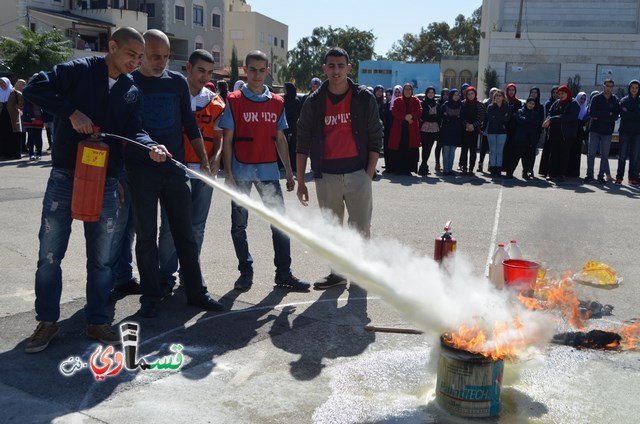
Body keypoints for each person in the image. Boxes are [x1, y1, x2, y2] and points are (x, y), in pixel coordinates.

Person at [20, 27, 152, 353]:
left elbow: (134, 129)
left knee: (102, 259)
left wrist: (151, 145)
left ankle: (97, 320)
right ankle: (47, 321)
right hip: (66, 176)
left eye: (139, 57)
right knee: (49, 255)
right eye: (130, 54)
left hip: (108, 181)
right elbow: (35, 87)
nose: (135, 62)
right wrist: (70, 112)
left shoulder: (131, 89)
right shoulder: (78, 70)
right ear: (112, 47)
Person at [127, 29, 224, 317]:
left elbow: (189, 124)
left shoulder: (177, 83)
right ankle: (151, 296)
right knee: (146, 238)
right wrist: (149, 148)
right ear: (142, 54)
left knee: (185, 234)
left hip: (175, 170)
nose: (161, 62)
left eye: (166, 56)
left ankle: (196, 291)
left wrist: (205, 158)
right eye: (155, 56)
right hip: (141, 172)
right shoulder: (129, 83)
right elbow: (129, 127)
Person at [221, 50, 310, 293]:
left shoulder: (277, 102)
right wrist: (228, 173)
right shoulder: (234, 99)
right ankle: (245, 272)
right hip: (240, 171)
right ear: (245, 71)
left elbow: (280, 138)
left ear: (267, 71)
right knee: (239, 226)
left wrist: (289, 172)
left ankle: (283, 273)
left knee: (279, 223)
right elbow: (227, 139)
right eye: (253, 70)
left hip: (269, 172)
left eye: (262, 70)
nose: (257, 75)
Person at [296, 47, 383, 289]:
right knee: (332, 228)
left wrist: (368, 173)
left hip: (358, 173)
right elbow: (302, 141)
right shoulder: (313, 102)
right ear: (324, 69)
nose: (336, 71)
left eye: (340, 65)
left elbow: (376, 135)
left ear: (349, 68)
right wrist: (302, 180)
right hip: (326, 176)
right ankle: (337, 273)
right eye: (331, 66)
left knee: (360, 227)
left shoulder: (363, 98)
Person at [157, 49, 225, 291]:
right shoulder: (172, 95)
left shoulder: (215, 102)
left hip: (203, 173)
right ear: (188, 68)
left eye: (209, 72)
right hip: (176, 170)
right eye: (200, 71)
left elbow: (219, 138)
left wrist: (216, 160)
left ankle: (190, 273)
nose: (205, 77)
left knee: (197, 225)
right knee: (168, 226)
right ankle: (165, 275)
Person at [584, 79, 620, 183]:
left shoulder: (615, 99)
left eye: (611, 86)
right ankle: (589, 175)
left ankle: (601, 176)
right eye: (607, 85)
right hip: (595, 129)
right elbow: (592, 113)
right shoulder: (596, 98)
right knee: (591, 154)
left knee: (604, 155)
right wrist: (607, 114)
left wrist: (601, 115)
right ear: (603, 86)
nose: (609, 88)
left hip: (607, 131)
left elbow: (615, 116)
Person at [542, 85, 580, 182]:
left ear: (568, 93)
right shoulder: (557, 103)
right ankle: (551, 173)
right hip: (554, 133)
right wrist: (548, 120)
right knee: (553, 154)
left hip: (566, 134)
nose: (561, 95)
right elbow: (550, 113)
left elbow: (569, 117)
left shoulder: (574, 103)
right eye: (559, 93)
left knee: (564, 154)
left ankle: (562, 174)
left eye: (563, 93)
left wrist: (552, 119)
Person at [388, 83, 422, 175]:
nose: (407, 91)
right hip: (400, 128)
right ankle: (399, 169)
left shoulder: (416, 100)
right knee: (400, 148)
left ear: (412, 91)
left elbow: (419, 111)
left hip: (411, 129)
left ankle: (408, 169)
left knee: (410, 149)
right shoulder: (398, 100)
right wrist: (404, 117)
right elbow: (394, 111)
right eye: (406, 89)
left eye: (409, 89)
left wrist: (411, 116)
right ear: (403, 91)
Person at [616, 80, 640, 185]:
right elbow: (623, 114)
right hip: (625, 131)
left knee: (634, 156)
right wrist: (634, 113)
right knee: (622, 155)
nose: (634, 90)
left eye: (636, 88)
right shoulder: (624, 100)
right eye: (632, 87)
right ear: (629, 88)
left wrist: (629, 112)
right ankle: (619, 177)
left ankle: (632, 178)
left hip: (637, 132)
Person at [513, 97, 542, 179]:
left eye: (533, 104)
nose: (531, 105)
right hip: (521, 137)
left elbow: (536, 123)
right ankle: (510, 172)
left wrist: (526, 121)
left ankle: (525, 172)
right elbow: (520, 120)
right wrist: (529, 121)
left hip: (531, 138)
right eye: (529, 103)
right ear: (526, 103)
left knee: (527, 157)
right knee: (517, 156)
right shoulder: (520, 111)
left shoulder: (536, 113)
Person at [459, 86, 485, 175]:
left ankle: (471, 169)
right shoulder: (463, 104)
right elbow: (460, 116)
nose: (470, 96)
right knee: (464, 150)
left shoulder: (480, 104)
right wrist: (466, 124)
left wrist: (473, 125)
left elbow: (481, 117)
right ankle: (464, 168)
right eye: (468, 94)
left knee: (473, 150)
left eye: (472, 94)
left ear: (475, 94)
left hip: (474, 130)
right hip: (464, 129)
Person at [485, 89, 511, 177]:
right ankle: (493, 168)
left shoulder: (507, 107)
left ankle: (498, 168)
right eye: (496, 96)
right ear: (494, 97)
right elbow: (491, 119)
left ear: (503, 97)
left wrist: (497, 118)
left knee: (499, 151)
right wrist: (500, 118)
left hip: (502, 132)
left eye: (500, 96)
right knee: (493, 151)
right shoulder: (490, 107)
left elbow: (507, 119)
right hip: (492, 131)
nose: (498, 97)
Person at [439, 88, 463, 176]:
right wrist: (453, 117)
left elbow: (461, 118)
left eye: (458, 95)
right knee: (446, 150)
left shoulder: (460, 105)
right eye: (455, 95)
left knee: (452, 150)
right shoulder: (445, 105)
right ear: (451, 95)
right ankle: (445, 169)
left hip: (455, 130)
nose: (456, 96)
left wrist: (450, 117)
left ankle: (450, 169)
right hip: (446, 130)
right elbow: (442, 116)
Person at [0, 77, 24, 160]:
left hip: (12, 117)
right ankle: (4, 153)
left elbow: (22, 102)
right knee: (3, 134)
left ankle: (15, 154)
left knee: (14, 134)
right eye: (0, 83)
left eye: (3, 83)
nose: (2, 84)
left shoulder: (14, 92)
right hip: (2, 116)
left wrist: (17, 107)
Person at [418, 86, 440, 176]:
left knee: (429, 148)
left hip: (434, 129)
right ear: (426, 93)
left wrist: (430, 117)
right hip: (424, 128)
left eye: (432, 92)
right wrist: (432, 117)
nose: (431, 94)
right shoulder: (423, 103)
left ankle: (424, 166)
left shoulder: (437, 104)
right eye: (429, 92)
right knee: (424, 148)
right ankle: (423, 166)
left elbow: (438, 117)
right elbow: (424, 116)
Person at [538, 86, 559, 177]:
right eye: (553, 93)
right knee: (548, 151)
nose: (555, 95)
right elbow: (548, 116)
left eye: (557, 93)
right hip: (550, 129)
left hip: (559, 131)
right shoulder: (549, 103)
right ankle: (545, 171)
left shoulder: (562, 103)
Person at [283, 82, 301, 172]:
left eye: (285, 89)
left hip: (292, 128)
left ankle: (294, 167)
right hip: (284, 128)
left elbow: (294, 115)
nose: (284, 91)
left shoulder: (295, 101)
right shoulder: (284, 100)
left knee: (292, 147)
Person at [22, 95, 45, 161]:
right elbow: (27, 106)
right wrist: (32, 116)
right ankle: (31, 154)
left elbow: (44, 107)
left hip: (39, 118)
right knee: (30, 137)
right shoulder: (28, 93)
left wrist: (45, 119)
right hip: (29, 118)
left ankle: (39, 154)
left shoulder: (41, 95)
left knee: (38, 137)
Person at [434, 88, 450, 172]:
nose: (446, 96)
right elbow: (438, 115)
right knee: (439, 145)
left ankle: (445, 164)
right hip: (440, 127)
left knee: (445, 147)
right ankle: (437, 163)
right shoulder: (439, 103)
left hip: (447, 128)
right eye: (444, 94)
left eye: (447, 94)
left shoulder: (450, 103)